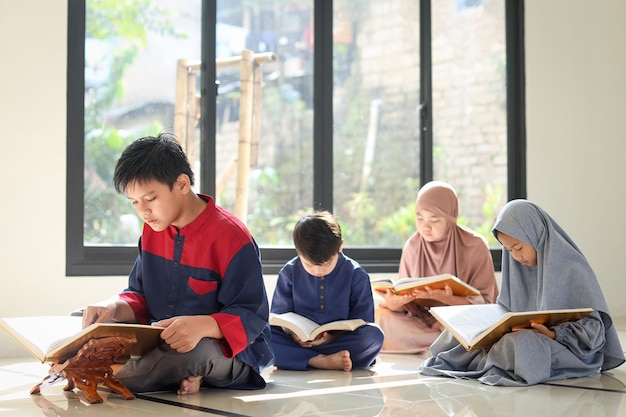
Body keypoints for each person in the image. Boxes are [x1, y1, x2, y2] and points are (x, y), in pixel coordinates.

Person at [82, 133, 274, 395]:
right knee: (84, 319)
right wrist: (113, 307)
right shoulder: (152, 230)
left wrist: (201, 326)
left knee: (193, 353)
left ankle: (100, 376)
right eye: (134, 202)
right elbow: (139, 295)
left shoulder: (232, 237)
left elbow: (253, 315)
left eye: (150, 199)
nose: (143, 212)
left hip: (227, 351)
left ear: (182, 184)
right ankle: (183, 376)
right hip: (164, 341)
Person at [420, 199, 625, 386]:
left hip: (565, 347)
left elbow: (595, 331)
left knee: (521, 345)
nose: (516, 257)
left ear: (535, 234)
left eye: (518, 247)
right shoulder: (518, 269)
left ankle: (486, 361)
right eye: (509, 251)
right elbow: (508, 309)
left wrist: (554, 333)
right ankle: (491, 360)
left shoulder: (571, 267)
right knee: (454, 335)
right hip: (521, 337)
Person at [375, 181, 499, 353]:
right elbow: (406, 306)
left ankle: (442, 345)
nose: (425, 226)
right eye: (419, 218)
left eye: (435, 219)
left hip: (459, 322)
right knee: (379, 319)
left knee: (471, 330)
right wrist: (395, 304)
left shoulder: (475, 246)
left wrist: (448, 299)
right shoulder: (412, 246)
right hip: (423, 323)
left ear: (451, 218)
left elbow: (487, 304)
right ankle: (447, 347)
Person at [270, 211, 384, 371]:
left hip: (338, 342)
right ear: (298, 252)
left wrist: (330, 337)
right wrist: (293, 334)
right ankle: (319, 360)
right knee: (263, 334)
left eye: (325, 264)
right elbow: (278, 316)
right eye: (309, 265)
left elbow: (363, 320)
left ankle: (302, 358)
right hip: (297, 342)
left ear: (340, 247)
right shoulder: (289, 272)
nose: (317, 271)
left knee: (373, 335)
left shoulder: (356, 274)